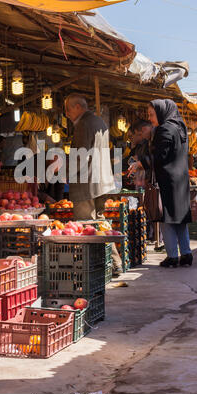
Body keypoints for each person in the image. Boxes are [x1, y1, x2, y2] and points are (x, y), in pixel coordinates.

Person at [65, 92, 123, 276]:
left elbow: (80, 155)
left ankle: (94, 267)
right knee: (100, 223)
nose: (66, 114)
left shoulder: (83, 124)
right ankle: (114, 263)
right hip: (101, 181)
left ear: (77, 107)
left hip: (86, 184)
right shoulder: (99, 121)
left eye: (68, 109)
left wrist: (63, 170)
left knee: (86, 224)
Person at [147, 99, 193, 268]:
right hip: (180, 179)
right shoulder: (180, 127)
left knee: (167, 220)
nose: (151, 118)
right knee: (179, 219)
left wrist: (143, 161)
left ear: (162, 112)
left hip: (168, 180)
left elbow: (161, 156)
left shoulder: (165, 128)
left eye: (152, 114)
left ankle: (172, 256)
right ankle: (186, 254)